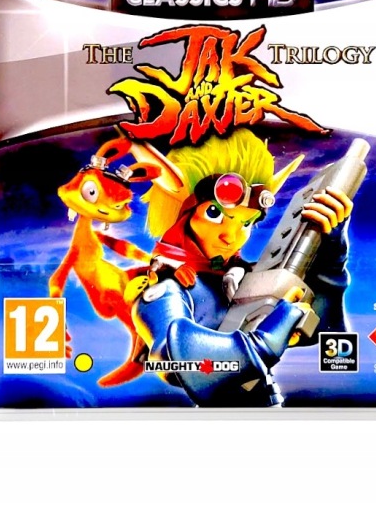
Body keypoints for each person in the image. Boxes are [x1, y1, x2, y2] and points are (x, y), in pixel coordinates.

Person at [131, 128, 353, 406]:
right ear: (184, 216)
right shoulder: (167, 290)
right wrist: (264, 342)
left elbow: (328, 332)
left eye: (246, 222)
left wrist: (329, 254)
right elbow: (174, 362)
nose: (231, 236)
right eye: (215, 214)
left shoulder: (247, 277)